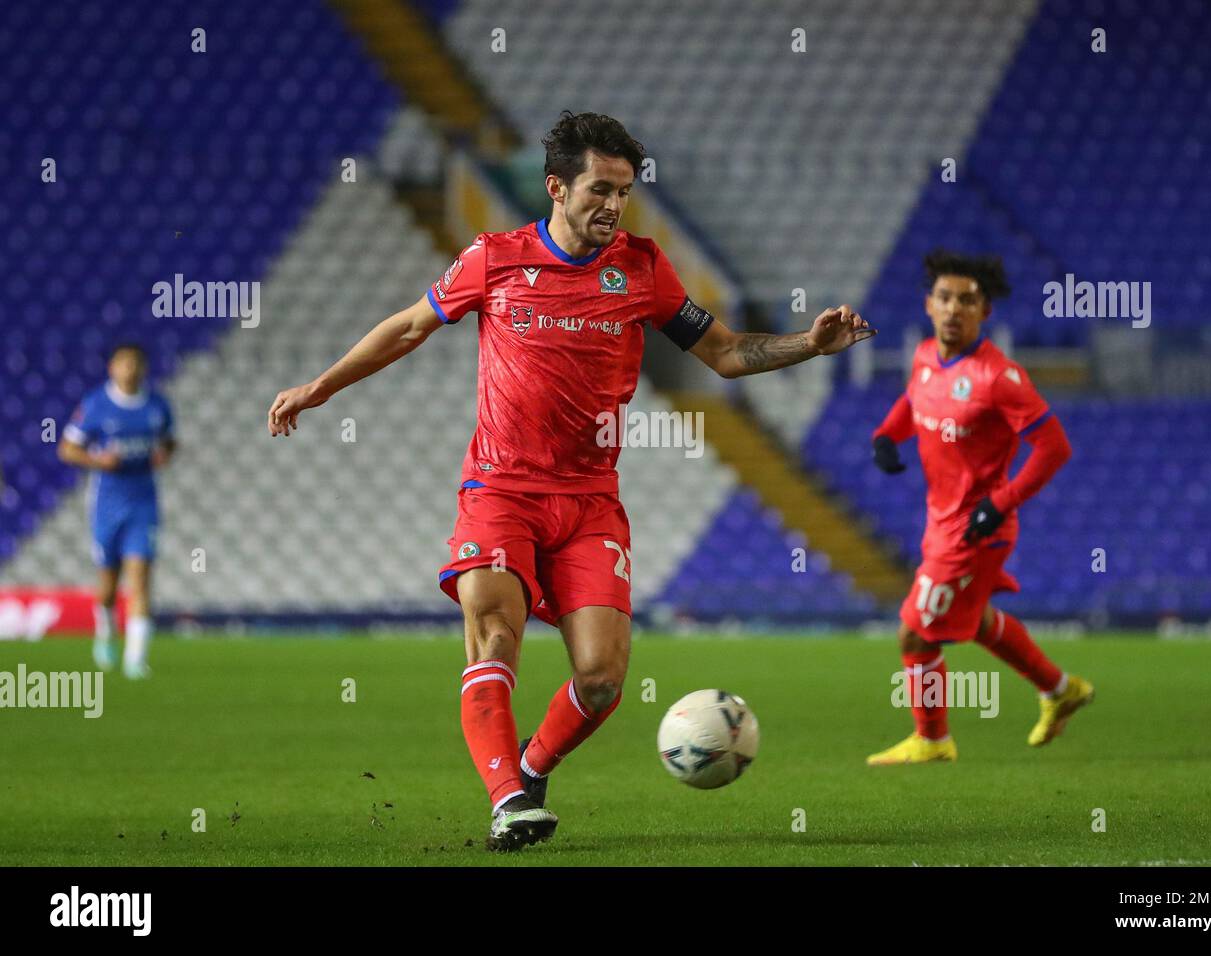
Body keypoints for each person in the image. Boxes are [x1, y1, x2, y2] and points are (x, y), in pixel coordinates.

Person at [267, 111, 874, 849]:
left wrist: (809, 344)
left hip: (589, 505)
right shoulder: (494, 259)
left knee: (601, 681)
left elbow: (723, 351)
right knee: (494, 634)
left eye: (623, 192)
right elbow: (408, 327)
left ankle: (531, 766)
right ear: (556, 186)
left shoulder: (643, 269)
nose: (613, 206)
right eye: (599, 189)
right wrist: (320, 388)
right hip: (499, 491)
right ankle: (507, 802)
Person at [867, 250, 1091, 765]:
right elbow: (913, 400)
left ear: (984, 312)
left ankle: (932, 739)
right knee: (981, 621)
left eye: (967, 301)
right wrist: (886, 435)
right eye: (944, 298)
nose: (953, 310)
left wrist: (1001, 501)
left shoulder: (999, 378)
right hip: (940, 524)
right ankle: (1061, 690)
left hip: (977, 530)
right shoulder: (925, 356)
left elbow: (1055, 447)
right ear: (928, 304)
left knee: (915, 632)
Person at [59, 343, 176, 678]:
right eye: (124, 364)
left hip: (144, 502)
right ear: (112, 367)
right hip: (106, 504)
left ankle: (136, 659)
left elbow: (168, 441)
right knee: (108, 584)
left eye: (136, 364)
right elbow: (67, 449)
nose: (130, 370)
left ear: (144, 368)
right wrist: (97, 461)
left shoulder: (157, 406)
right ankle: (106, 630)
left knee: (140, 579)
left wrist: (164, 454)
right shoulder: (96, 405)